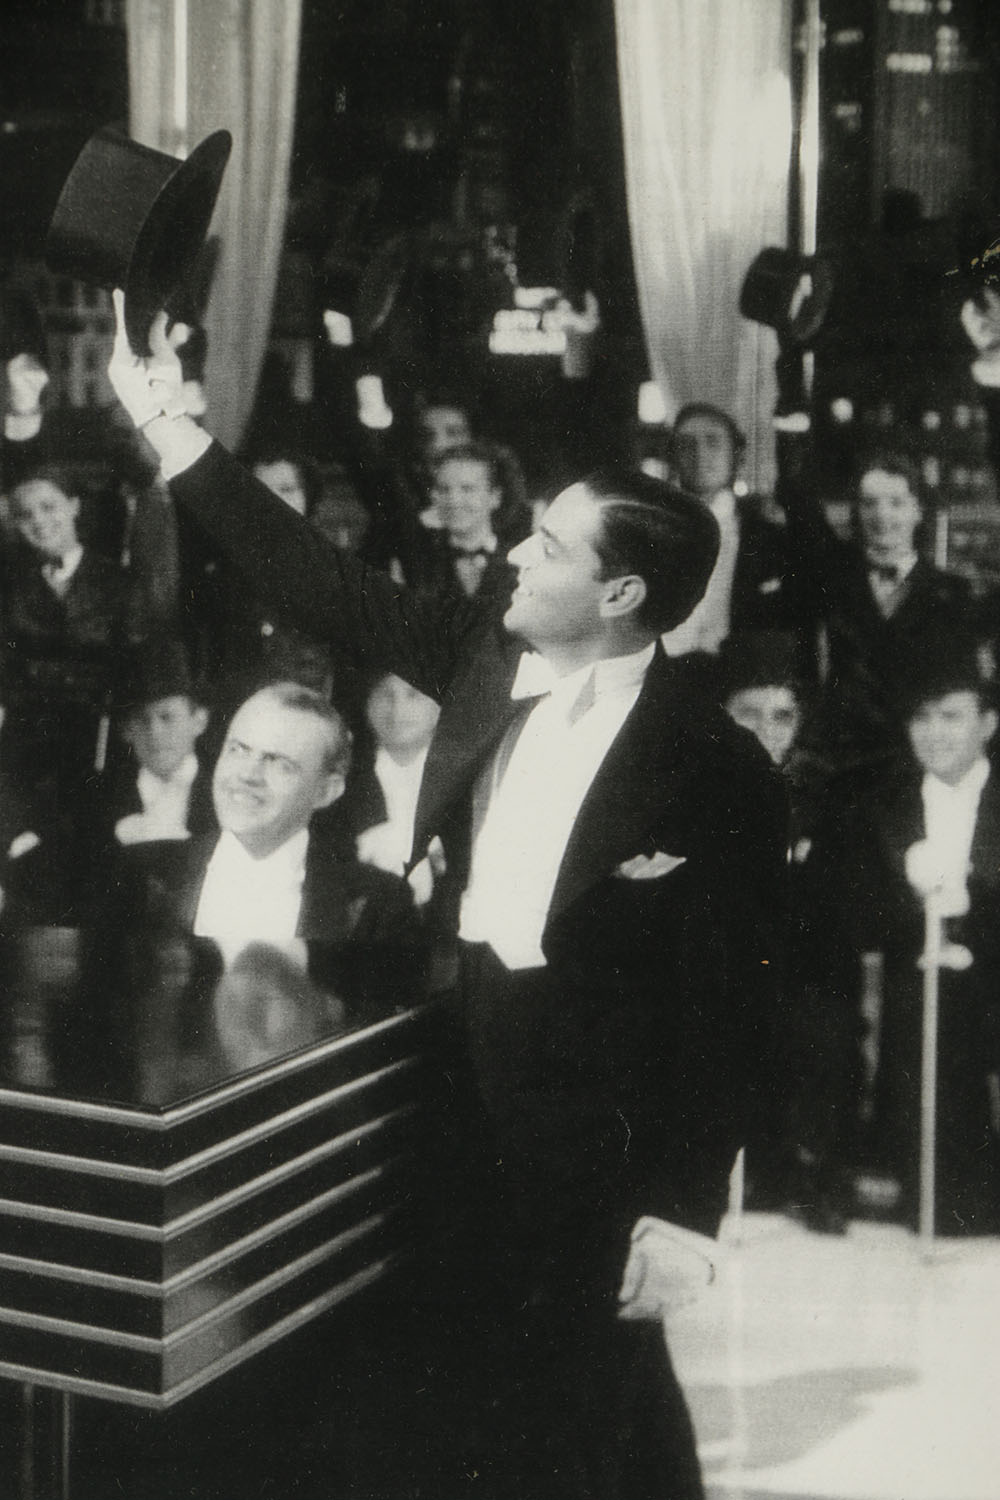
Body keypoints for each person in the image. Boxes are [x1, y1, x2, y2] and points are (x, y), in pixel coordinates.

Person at [107, 291, 787, 1500]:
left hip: (590, 1130)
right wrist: (170, 427)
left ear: (622, 594)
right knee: (448, 1403)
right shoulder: (488, 653)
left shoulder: (716, 770)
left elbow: (732, 1008)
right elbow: (313, 575)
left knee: (596, 1415)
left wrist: (685, 1212)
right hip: (443, 1078)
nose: (514, 556)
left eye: (549, 548)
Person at [110, 680, 425, 1022]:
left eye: (280, 763)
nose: (247, 775)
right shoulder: (137, 874)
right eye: (238, 750)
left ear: (326, 791)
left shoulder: (377, 906)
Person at [850, 644, 1000, 1233]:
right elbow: (862, 910)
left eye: (952, 716)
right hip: (913, 969)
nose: (934, 733)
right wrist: (912, 904)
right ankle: (928, 1188)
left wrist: (973, 914)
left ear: (988, 724)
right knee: (918, 1003)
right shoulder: (881, 807)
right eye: (922, 717)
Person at [776, 436, 973, 782]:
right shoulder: (830, 586)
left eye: (896, 503)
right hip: (840, 763)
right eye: (870, 503)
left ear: (918, 511)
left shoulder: (953, 595)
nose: (882, 515)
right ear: (857, 511)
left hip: (919, 765)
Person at [661, 401, 793, 658]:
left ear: (736, 455)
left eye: (713, 442)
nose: (700, 454)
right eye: (687, 444)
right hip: (663, 675)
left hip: (740, 676)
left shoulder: (768, 533)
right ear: (673, 456)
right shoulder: (656, 529)